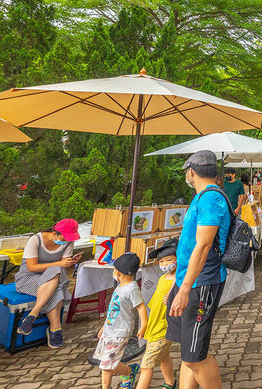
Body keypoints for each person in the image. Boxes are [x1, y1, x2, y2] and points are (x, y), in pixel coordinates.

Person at [167, 150, 230, 389]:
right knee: (187, 351)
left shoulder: (210, 199)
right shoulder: (201, 197)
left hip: (201, 283)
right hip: (188, 280)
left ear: (191, 171)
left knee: (195, 357)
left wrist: (183, 289)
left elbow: (203, 246)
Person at [14, 218, 82, 347]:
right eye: (64, 238)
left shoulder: (68, 242)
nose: (66, 241)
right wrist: (59, 264)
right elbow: (31, 267)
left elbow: (62, 266)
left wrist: (70, 262)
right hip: (28, 278)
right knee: (57, 287)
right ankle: (55, 328)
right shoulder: (36, 240)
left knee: (55, 275)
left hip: (52, 279)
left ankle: (33, 314)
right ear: (55, 232)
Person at [94, 252, 147, 389]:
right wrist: (103, 326)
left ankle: (129, 372)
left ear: (119, 272)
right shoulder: (120, 286)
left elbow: (141, 307)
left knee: (107, 364)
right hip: (109, 330)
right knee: (104, 362)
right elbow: (113, 309)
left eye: (114, 269)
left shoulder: (132, 289)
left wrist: (143, 326)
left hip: (120, 332)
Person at [137, 239, 178, 389]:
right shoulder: (162, 278)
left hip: (164, 328)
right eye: (161, 261)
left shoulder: (180, 281)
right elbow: (154, 306)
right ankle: (171, 383)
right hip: (154, 327)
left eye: (169, 260)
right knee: (163, 356)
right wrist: (145, 327)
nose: (165, 264)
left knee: (146, 365)